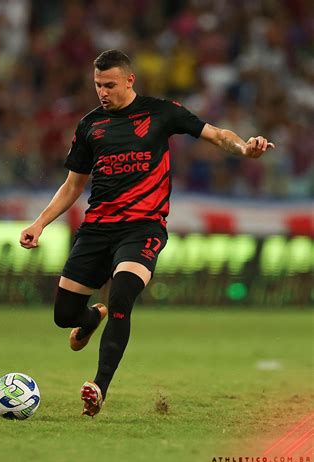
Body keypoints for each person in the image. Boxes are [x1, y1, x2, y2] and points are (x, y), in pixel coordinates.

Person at [19, 50, 274, 417]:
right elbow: (73, 186)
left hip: (143, 228)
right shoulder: (90, 126)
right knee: (64, 315)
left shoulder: (161, 112)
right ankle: (92, 318)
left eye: (109, 85)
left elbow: (217, 134)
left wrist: (245, 148)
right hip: (96, 231)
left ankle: (98, 388)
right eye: (97, 85)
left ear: (129, 81)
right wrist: (40, 223)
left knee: (123, 293)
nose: (102, 92)